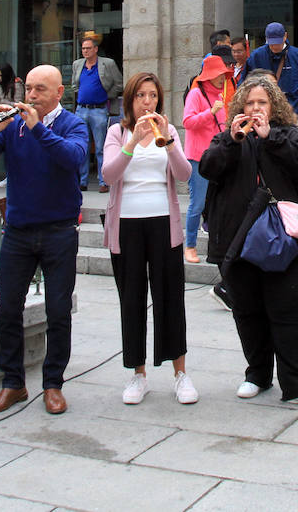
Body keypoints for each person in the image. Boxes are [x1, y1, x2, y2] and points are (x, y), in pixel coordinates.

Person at [0, 65, 88, 416]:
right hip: (18, 232)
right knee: (7, 310)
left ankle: (53, 384)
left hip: (59, 232)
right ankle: (12, 383)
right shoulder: (14, 125)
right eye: (28, 89)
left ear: (58, 93)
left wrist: (36, 129)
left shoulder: (73, 125)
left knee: (58, 311)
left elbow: (73, 159)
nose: (31, 96)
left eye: (39, 90)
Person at [200, 73, 298, 409]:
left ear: (274, 108)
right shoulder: (227, 137)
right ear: (240, 107)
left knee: (290, 311)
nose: (255, 109)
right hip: (238, 238)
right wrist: (232, 139)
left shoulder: (290, 135)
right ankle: (257, 374)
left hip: (288, 237)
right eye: (250, 103)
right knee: (247, 311)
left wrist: (271, 138)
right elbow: (208, 169)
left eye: (262, 103)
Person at [102, 72, 196, 405]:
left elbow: (184, 175)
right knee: (132, 299)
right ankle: (137, 374)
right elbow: (108, 175)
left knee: (170, 297)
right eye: (141, 95)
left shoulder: (168, 130)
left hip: (162, 221)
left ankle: (180, 373)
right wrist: (132, 142)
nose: (147, 102)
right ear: (130, 99)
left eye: (153, 96)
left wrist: (168, 141)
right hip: (126, 223)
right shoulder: (117, 131)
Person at [182, 55, 233, 264]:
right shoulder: (196, 94)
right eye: (219, 74)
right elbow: (187, 122)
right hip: (198, 158)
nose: (223, 78)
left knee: (219, 202)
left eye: (224, 75)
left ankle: (219, 244)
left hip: (217, 156)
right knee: (197, 203)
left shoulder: (220, 94)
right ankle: (190, 246)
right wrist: (209, 112)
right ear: (209, 75)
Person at [69, 34, 123, 194]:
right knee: (82, 146)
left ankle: (103, 181)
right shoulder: (77, 64)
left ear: (95, 49)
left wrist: (105, 95)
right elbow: (74, 84)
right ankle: (82, 181)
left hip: (99, 110)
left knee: (100, 148)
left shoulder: (108, 63)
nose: (85, 51)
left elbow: (119, 83)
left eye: (88, 48)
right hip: (81, 109)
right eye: (83, 48)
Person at [244, 22, 298, 120]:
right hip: (262, 112)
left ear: (285, 36)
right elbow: (244, 84)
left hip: (291, 111)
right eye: (271, 43)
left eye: (278, 42)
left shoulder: (297, 56)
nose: (274, 46)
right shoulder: (256, 56)